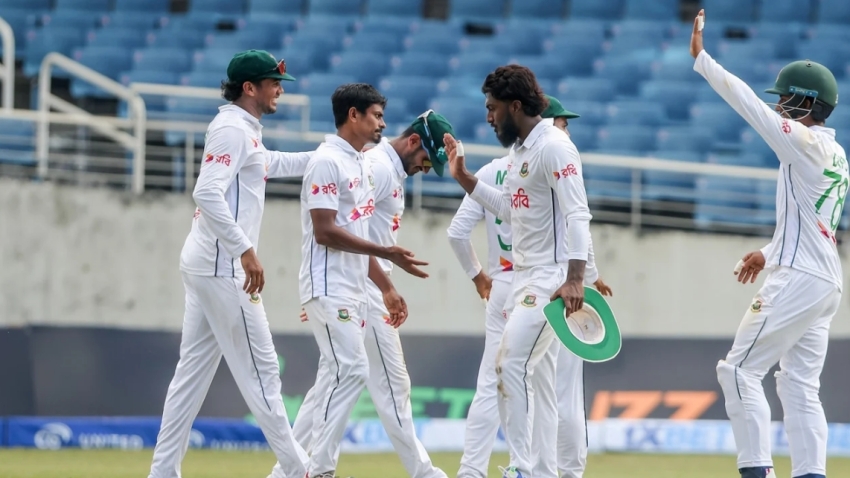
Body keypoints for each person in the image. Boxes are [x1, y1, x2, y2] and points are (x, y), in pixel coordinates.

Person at [691, 9, 845, 478]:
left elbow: (748, 106)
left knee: (737, 372)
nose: (778, 107)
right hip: (823, 281)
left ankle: (757, 473)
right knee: (799, 386)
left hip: (799, 279)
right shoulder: (835, 151)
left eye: (785, 100)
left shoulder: (805, 142)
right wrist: (770, 251)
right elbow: (809, 221)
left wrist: (703, 59)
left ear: (806, 102)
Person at [148, 50, 315, 478]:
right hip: (223, 269)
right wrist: (244, 249)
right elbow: (207, 193)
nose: (280, 89)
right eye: (273, 83)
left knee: (189, 379)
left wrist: (325, 157)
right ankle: (302, 471)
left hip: (207, 264)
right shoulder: (231, 129)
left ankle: (162, 472)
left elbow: (268, 164)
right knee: (263, 374)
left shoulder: (244, 130)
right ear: (249, 88)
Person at [276, 110, 456, 478]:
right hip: (364, 289)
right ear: (413, 142)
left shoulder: (385, 168)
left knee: (329, 383)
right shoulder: (375, 167)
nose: (426, 168)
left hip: (353, 286)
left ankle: (286, 471)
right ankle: (423, 473)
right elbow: (346, 229)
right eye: (426, 160)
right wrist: (383, 287)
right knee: (391, 384)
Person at [448, 95, 610, 478]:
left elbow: (578, 215)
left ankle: (522, 468)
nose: (488, 116)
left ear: (515, 106)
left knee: (509, 368)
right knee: (545, 388)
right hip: (524, 280)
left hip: (552, 283)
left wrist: (576, 278)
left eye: (492, 107)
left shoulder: (554, 147)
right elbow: (509, 209)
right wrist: (464, 178)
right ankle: (543, 471)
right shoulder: (520, 154)